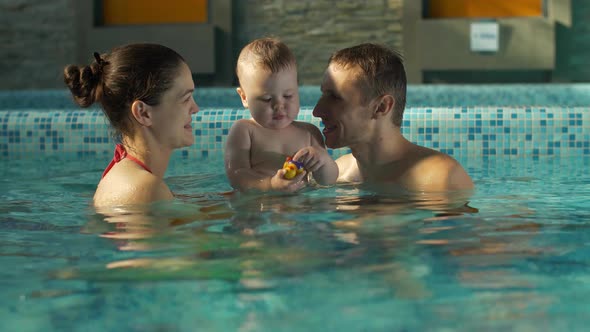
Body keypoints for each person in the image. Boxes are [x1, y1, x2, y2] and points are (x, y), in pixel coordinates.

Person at [313, 43, 474, 192]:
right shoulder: (336, 174)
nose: (317, 111)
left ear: (381, 107)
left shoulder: (440, 179)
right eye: (323, 95)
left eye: (334, 97)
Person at [64, 43, 200, 207]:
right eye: (185, 99)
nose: (195, 109)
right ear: (143, 113)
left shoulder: (131, 177)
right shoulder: (144, 189)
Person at [224, 37, 338, 192]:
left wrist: (322, 161)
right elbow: (236, 175)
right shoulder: (244, 131)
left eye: (288, 96)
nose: (279, 106)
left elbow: (328, 181)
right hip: (260, 208)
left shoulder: (309, 133)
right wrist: (270, 185)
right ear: (244, 97)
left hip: (301, 211)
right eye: (267, 99)